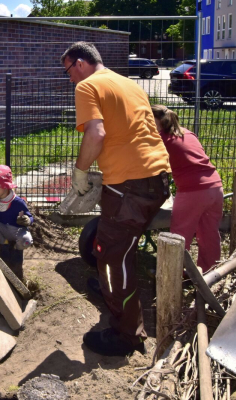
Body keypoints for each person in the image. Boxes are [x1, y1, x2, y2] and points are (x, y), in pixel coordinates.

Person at [61, 42, 171, 357]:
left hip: (129, 186)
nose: (70, 79)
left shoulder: (88, 86)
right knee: (121, 250)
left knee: (111, 255)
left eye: (68, 71)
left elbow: (96, 133)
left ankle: (126, 335)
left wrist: (80, 170)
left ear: (80, 64)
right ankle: (113, 289)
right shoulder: (127, 84)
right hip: (157, 178)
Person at [152, 105, 223, 273]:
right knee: (209, 234)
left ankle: (173, 274)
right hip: (215, 186)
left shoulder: (161, 139)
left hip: (193, 192)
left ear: (156, 121)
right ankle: (210, 273)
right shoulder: (187, 133)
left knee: (179, 236)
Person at [0, 165, 34, 279]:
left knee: (26, 240)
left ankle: (17, 249)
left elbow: (30, 216)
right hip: (3, 228)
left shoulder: (18, 202)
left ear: (6, 186)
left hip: (17, 230)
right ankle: (4, 243)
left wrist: (27, 220)